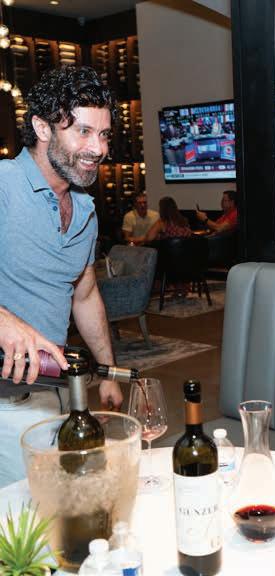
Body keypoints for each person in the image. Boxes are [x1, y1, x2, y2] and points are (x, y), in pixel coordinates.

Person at [0, 66, 123, 486]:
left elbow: (84, 295)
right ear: (42, 128)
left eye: (103, 134)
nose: (98, 148)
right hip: (6, 400)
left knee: (71, 503)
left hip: (58, 389)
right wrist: (5, 320)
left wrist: (107, 371)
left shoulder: (85, 209)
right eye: (83, 132)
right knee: (30, 515)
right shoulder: (4, 186)